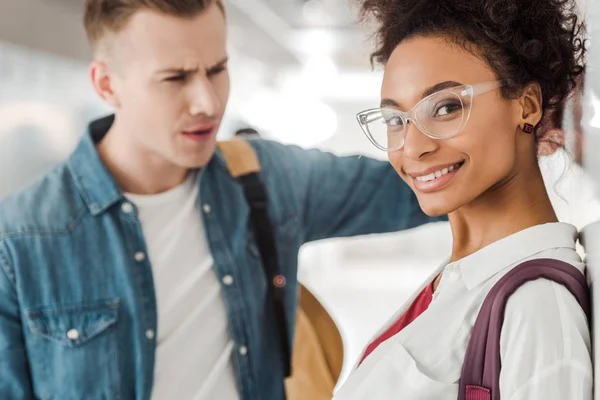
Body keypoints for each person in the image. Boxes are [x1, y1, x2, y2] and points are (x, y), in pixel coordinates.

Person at [0, 1, 440, 399]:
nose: (208, 103)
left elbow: (414, 185)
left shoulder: (266, 179)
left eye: (217, 69)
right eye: (175, 78)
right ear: (106, 84)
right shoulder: (19, 242)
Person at [333, 0, 591, 398]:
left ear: (527, 105)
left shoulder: (536, 305)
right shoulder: (458, 277)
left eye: (447, 107)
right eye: (395, 120)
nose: (412, 147)